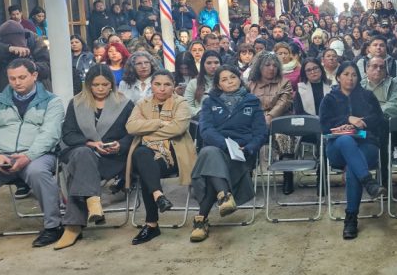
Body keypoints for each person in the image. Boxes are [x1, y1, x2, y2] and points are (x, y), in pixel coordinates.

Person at [0, 59, 65, 252]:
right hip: (1, 156)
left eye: (22, 77)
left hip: (37, 156)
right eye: (12, 78)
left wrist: (28, 156)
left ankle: (53, 227)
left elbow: (50, 134)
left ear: (34, 76)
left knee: (38, 173)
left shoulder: (52, 102)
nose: (17, 82)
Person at [55, 64, 136, 249]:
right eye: (95, 85)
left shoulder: (125, 104)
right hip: (81, 150)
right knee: (84, 154)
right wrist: (90, 143)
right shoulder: (76, 103)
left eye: (105, 84)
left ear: (112, 84)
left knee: (80, 169)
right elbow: (68, 134)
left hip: (111, 158)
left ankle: (73, 226)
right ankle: (93, 202)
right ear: (88, 85)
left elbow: (132, 133)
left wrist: (119, 145)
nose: (100, 89)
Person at [188, 65, 267, 243]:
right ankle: (223, 196)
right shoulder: (209, 102)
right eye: (224, 79)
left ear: (240, 79)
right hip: (218, 148)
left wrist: (248, 148)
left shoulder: (252, 101)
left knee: (209, 165)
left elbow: (261, 133)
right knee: (211, 153)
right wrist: (226, 145)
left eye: (232, 77)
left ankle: (201, 219)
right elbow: (206, 130)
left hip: (242, 153)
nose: (230, 82)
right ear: (218, 84)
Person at [125, 71, 196, 245]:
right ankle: (159, 196)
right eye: (157, 84)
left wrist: (146, 133)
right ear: (152, 85)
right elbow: (131, 127)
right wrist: (159, 122)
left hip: (174, 155)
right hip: (149, 156)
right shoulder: (142, 103)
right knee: (142, 155)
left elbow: (177, 129)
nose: (162, 89)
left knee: (145, 166)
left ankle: (151, 224)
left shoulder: (181, 103)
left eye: (167, 84)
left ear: (174, 86)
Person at [319, 62, 386, 240]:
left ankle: (351, 219)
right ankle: (369, 182)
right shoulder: (329, 99)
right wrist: (347, 119)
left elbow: (379, 120)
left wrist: (361, 123)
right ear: (338, 77)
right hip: (337, 148)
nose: (350, 78)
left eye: (354, 75)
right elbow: (324, 125)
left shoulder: (367, 96)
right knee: (346, 139)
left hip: (366, 144)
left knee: (353, 169)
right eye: (346, 74)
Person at [246, 51, 294, 191]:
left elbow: (283, 103)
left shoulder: (285, 83)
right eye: (267, 65)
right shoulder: (250, 85)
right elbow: (247, 105)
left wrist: (270, 116)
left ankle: (288, 175)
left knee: (284, 137)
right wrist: (260, 119)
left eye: (275, 65)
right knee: (246, 137)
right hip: (256, 123)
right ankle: (247, 176)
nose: (272, 68)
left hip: (279, 122)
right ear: (259, 67)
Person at [0, 20, 50, 96]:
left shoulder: (33, 39)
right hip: (2, 87)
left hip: (36, 90)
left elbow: (47, 67)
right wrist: (6, 49)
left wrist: (30, 66)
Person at [184, 51, 222, 118]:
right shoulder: (193, 83)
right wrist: (202, 112)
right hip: (200, 119)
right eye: (209, 63)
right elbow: (187, 107)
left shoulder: (227, 82)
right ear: (203, 65)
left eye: (216, 63)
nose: (213, 66)